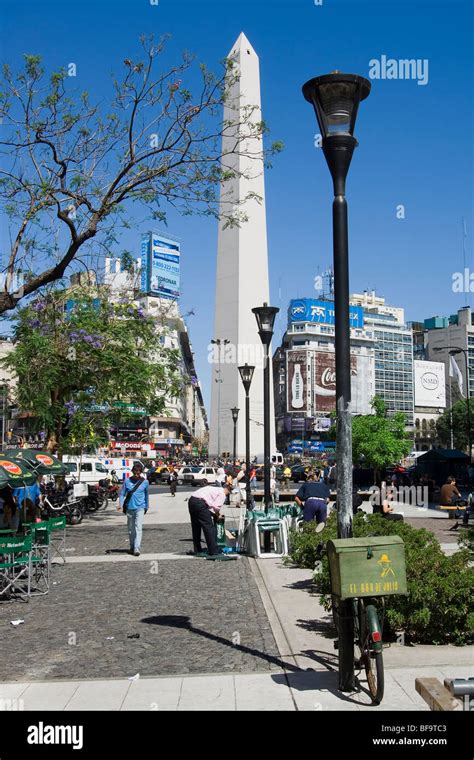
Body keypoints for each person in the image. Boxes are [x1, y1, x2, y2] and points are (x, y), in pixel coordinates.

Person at [187, 483, 232, 556]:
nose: (227, 495)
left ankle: (197, 549)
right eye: (229, 494)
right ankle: (213, 550)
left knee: (196, 526)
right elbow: (216, 508)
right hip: (200, 503)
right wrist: (218, 515)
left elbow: (210, 507)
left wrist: (213, 514)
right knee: (208, 527)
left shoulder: (214, 489)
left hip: (192, 500)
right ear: (228, 491)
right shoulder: (222, 493)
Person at [120, 461, 149, 556]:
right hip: (129, 508)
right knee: (130, 528)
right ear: (132, 471)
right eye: (135, 471)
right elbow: (122, 494)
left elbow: (146, 495)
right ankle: (132, 546)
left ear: (141, 472)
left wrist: (146, 506)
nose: (137, 473)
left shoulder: (145, 482)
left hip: (140, 508)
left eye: (139, 472)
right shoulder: (127, 481)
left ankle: (137, 548)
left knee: (138, 527)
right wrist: (120, 504)